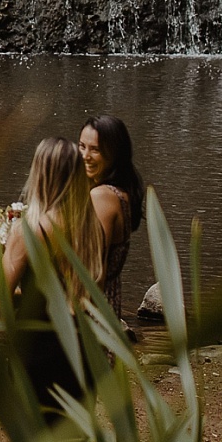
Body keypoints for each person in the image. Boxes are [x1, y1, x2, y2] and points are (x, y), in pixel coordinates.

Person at [0, 137, 108, 414]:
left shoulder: (28, 231)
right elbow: (86, 290)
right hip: (81, 345)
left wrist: (2, 253)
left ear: (40, 173)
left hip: (37, 347)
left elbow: (0, 300)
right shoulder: (91, 227)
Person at [76, 114, 143, 319]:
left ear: (114, 154)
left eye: (95, 149)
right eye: (81, 146)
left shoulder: (101, 197)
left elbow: (94, 272)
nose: (85, 156)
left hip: (92, 316)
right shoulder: (119, 193)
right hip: (108, 308)